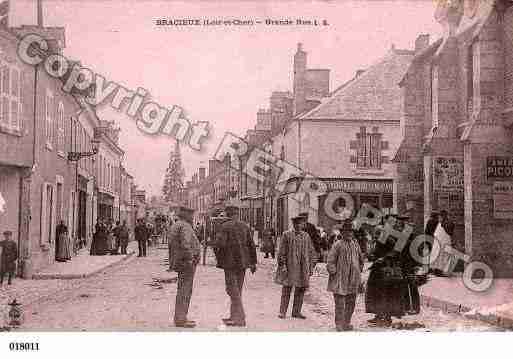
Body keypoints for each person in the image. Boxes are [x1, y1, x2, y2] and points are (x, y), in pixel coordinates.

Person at [213, 205, 257, 327]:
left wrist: (219, 258)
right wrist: (253, 263)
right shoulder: (245, 226)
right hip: (242, 263)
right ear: (237, 214)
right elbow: (251, 245)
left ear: (228, 214)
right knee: (238, 290)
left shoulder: (225, 226)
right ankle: (234, 317)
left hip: (230, 263)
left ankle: (240, 318)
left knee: (231, 289)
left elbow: (219, 244)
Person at [275, 215, 316, 319]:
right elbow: (281, 252)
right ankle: (282, 311)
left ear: (303, 225)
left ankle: (296, 312)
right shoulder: (286, 235)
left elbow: (311, 252)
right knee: (287, 288)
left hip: (303, 267)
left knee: (301, 289)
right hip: (290, 266)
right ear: (293, 224)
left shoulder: (306, 236)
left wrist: (311, 266)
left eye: (300, 223)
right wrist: (283, 265)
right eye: (296, 224)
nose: (298, 225)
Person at [327, 219, 364, 331]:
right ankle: (339, 323)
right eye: (346, 232)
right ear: (342, 233)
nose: (349, 234)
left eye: (351, 232)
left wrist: (359, 269)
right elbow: (330, 261)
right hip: (340, 279)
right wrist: (333, 271)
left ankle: (346, 322)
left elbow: (360, 259)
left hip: (353, 279)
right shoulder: (337, 245)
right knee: (340, 303)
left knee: (351, 303)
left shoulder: (355, 244)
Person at [168, 206, 201, 328]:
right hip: (186, 263)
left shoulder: (177, 225)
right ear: (186, 215)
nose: (192, 217)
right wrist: (190, 258)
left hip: (180, 262)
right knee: (185, 291)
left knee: (182, 289)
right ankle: (181, 319)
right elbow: (186, 245)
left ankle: (180, 317)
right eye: (191, 214)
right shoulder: (185, 226)